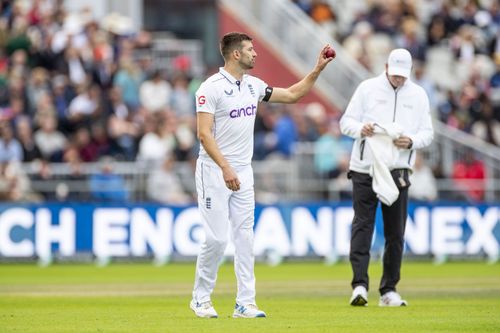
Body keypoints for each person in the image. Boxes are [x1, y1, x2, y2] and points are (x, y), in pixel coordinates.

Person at [190, 32, 333, 318]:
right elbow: (203, 134)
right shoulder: (210, 88)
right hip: (214, 171)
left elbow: (292, 94)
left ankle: (245, 302)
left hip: (244, 172)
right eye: (250, 49)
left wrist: (317, 69)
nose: (255, 54)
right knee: (217, 240)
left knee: (245, 238)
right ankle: (200, 299)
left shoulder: (253, 86)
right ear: (235, 54)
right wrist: (225, 168)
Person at [340, 49, 433, 307]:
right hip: (364, 168)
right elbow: (345, 123)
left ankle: (388, 291)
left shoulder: (418, 95)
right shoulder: (367, 89)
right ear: (385, 67)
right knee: (362, 226)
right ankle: (359, 286)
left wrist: (411, 140)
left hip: (398, 169)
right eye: (395, 75)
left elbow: (428, 133)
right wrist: (362, 128)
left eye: (403, 76)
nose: (399, 80)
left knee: (396, 233)